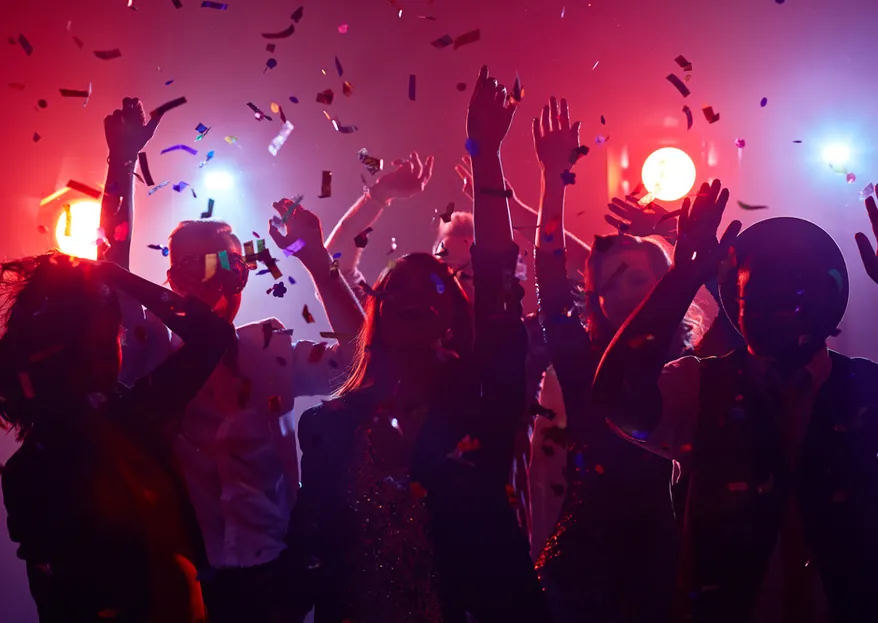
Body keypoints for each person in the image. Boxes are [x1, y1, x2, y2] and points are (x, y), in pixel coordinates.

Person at [291, 65, 550, 622]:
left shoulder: (485, 403)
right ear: (374, 315)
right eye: (396, 288)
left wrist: (486, 156)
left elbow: (499, 272)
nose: (413, 294)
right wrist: (339, 231)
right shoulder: (329, 427)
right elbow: (307, 556)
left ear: (453, 314)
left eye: (432, 284)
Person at [98, 98, 364, 623]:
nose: (225, 277)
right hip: (190, 589)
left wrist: (313, 255)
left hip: (282, 587)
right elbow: (110, 272)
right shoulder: (152, 351)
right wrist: (121, 160)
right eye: (208, 264)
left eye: (237, 264)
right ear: (172, 279)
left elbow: (359, 359)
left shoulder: (267, 351)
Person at [592, 181, 878, 622]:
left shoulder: (868, 388)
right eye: (759, 296)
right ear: (735, 305)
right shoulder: (698, 387)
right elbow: (619, 398)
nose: (780, 310)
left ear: (833, 300)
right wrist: (682, 274)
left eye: (796, 294)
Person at [526, 96, 702, 622]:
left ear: (664, 281)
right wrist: (552, 182)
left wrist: (687, 250)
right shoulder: (583, 367)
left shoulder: (699, 365)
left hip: (679, 561)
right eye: (611, 282)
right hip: (589, 570)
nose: (626, 288)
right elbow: (550, 281)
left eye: (639, 276)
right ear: (596, 302)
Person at [0, 253, 235, 622]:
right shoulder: (35, 468)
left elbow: (214, 335)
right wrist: (117, 276)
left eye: (112, 343)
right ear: (58, 357)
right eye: (89, 352)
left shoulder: (133, 414)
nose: (104, 365)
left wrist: (116, 275)